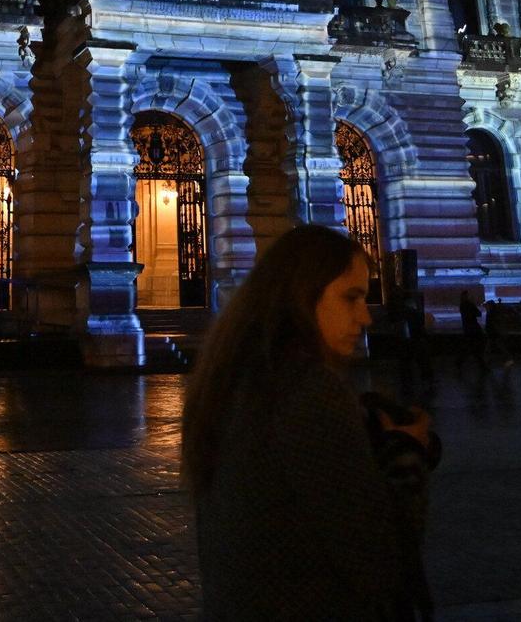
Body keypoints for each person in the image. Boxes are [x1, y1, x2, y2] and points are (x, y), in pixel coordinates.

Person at [185, 224, 436, 620]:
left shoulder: (235, 380)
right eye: (351, 298)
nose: (365, 318)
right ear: (301, 295)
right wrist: (406, 453)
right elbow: (381, 562)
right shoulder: (308, 390)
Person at [457, 289, 487, 372]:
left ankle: (460, 362)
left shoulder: (462, 305)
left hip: (468, 328)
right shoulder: (470, 304)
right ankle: (482, 365)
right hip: (474, 328)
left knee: (470, 347)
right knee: (476, 348)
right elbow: (478, 314)